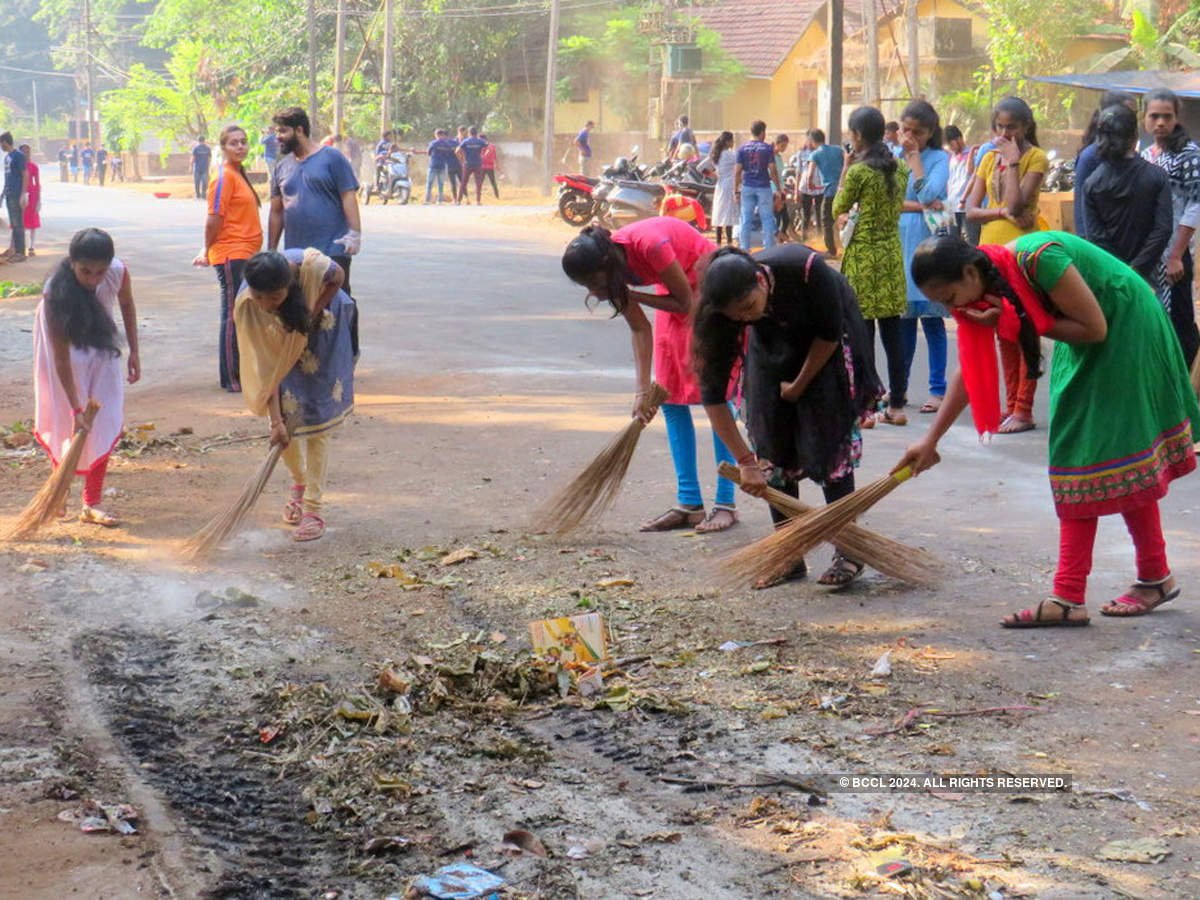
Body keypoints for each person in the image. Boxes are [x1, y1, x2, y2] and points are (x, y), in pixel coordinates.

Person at [900, 232, 1199, 626]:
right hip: (1089, 334)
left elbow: (1094, 328)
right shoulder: (986, 287)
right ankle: (1154, 576)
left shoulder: (1037, 259)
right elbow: (969, 370)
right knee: (1108, 453)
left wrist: (1015, 321)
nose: (951, 307)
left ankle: (1069, 595)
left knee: (1083, 453)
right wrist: (930, 440)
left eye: (948, 297)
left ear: (971, 272)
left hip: (1126, 326)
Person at [693, 244, 883, 587]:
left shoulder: (807, 268)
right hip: (771, 344)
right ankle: (789, 551)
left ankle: (849, 550)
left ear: (760, 281)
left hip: (828, 344)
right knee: (771, 440)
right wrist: (747, 461)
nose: (745, 318)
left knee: (828, 438)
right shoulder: (725, 314)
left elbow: (828, 335)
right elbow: (712, 395)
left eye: (749, 307)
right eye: (737, 317)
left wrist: (797, 386)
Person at [561, 218, 740, 533]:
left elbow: (687, 303)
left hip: (708, 292)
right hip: (672, 294)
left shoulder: (650, 244)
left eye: (594, 282)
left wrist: (634, 296)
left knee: (716, 398)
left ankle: (725, 503)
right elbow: (640, 328)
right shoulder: (612, 274)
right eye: (586, 286)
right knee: (669, 396)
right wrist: (642, 392)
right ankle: (690, 504)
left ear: (606, 262)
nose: (594, 291)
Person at [235, 249, 356, 542]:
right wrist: (276, 421)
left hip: (323, 327)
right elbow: (266, 371)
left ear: (289, 285)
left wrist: (313, 312)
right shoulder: (250, 307)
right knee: (287, 415)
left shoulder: (311, 270)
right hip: (283, 331)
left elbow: (338, 274)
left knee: (316, 417)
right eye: (259, 296)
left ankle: (314, 507)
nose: (265, 305)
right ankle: (299, 484)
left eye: (273, 298)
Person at [32, 228, 141, 526]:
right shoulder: (55, 291)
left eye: (99, 272)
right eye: (85, 271)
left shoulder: (118, 272)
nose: (93, 279)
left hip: (101, 343)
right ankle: (60, 491)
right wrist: (76, 408)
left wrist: (134, 351)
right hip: (64, 352)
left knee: (104, 422)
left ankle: (91, 502)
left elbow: (127, 305)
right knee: (64, 420)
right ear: (71, 263)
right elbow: (61, 358)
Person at [965, 97, 1048, 434]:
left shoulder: (1035, 158)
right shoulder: (987, 158)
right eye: (999, 126)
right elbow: (971, 210)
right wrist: (1001, 212)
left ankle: (1024, 409)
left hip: (1023, 252)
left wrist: (1013, 163)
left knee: (1024, 325)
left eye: (1011, 126)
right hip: (991, 251)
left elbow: (1018, 202)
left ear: (1026, 126)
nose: (1004, 132)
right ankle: (1010, 404)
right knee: (1003, 328)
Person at [832, 106, 910, 426]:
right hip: (891, 256)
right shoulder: (900, 168)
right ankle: (897, 404)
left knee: (862, 336)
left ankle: (868, 407)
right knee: (894, 336)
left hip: (863, 258)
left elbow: (838, 206)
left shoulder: (860, 172)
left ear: (858, 136)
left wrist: (846, 168)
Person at [192, 125, 264, 393]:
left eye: (244, 142)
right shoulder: (223, 177)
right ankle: (232, 378)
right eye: (234, 143)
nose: (241, 147)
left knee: (243, 314)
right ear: (223, 148)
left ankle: (242, 373)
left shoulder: (238, 174)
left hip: (246, 253)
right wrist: (206, 249)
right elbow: (214, 218)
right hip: (232, 255)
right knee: (233, 315)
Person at [268, 106, 362, 300]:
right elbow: (276, 211)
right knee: (303, 307)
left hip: (333, 248)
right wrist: (272, 250)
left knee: (338, 305)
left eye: (283, 131)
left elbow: (348, 195)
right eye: (277, 131)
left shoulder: (332, 158)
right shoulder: (281, 167)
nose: (278, 136)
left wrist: (355, 233)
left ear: (300, 130)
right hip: (297, 253)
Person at [897, 100, 951, 415]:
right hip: (900, 241)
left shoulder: (938, 158)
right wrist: (920, 204)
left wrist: (915, 159)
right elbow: (890, 200)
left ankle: (938, 389)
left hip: (928, 244)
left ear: (930, 132)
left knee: (932, 322)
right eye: (905, 130)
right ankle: (899, 387)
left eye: (917, 132)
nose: (909, 137)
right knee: (903, 323)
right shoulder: (891, 157)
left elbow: (931, 194)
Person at [1142, 87, 1200, 368]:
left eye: (1167, 116)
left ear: (1177, 118)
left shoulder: (1188, 154)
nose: (1161, 122)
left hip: (1175, 253)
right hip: (1149, 252)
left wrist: (1176, 254)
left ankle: (1187, 389)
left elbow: (1195, 204)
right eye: (1154, 116)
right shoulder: (1145, 155)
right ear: (1144, 118)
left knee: (1180, 321)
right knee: (1155, 319)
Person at [1083, 105, 1172, 287]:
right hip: (1147, 278)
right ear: (1135, 137)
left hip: (1110, 278)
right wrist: (1136, 269)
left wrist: (1119, 271)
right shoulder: (1156, 176)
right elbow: (1163, 229)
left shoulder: (1092, 184)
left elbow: (1095, 237)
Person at [1073, 91, 1137, 238]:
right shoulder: (1090, 157)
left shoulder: (1133, 154)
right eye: (1129, 113)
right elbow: (1082, 209)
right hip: (1100, 243)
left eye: (1135, 113)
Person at [736, 120, 781, 251]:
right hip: (763, 186)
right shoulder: (767, 148)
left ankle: (744, 248)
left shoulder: (742, 149)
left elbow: (738, 171)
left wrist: (736, 190)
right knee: (767, 218)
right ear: (762, 132)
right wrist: (778, 188)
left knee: (745, 219)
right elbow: (773, 170)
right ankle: (769, 249)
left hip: (747, 186)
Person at [808, 129, 843, 258]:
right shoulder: (838, 150)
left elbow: (810, 174)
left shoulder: (815, 154)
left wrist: (810, 184)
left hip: (829, 192)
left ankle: (831, 250)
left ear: (812, 141)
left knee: (826, 220)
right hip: (843, 190)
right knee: (845, 218)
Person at [704, 131, 738, 246]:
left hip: (719, 185)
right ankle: (729, 243)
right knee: (728, 215)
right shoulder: (731, 155)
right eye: (732, 140)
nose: (733, 143)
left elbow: (701, 168)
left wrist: (714, 174)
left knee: (719, 213)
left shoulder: (715, 154)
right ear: (728, 142)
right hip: (729, 186)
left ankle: (718, 243)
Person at [1, 133, 29, 262]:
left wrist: (23, 194)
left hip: (17, 193)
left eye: (1, 143)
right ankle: (15, 251)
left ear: (6, 142)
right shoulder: (7, 157)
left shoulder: (18, 156)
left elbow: (25, 174)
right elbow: (8, 177)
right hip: (9, 193)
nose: (1, 146)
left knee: (18, 224)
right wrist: (2, 194)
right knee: (14, 223)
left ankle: (20, 253)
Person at [944, 125, 972, 238]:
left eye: (951, 144)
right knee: (951, 239)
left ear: (959, 138)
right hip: (951, 202)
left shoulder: (972, 154)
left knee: (971, 239)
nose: (951, 148)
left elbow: (973, 174)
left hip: (967, 203)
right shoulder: (951, 158)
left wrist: (964, 198)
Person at [797, 132, 825, 241]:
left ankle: (820, 239)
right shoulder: (801, 153)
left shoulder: (822, 152)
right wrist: (796, 192)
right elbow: (798, 172)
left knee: (820, 215)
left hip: (820, 187)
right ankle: (805, 239)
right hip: (805, 188)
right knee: (806, 215)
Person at [772, 134, 800, 243]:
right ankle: (777, 240)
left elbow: (780, 175)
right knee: (777, 218)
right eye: (782, 146)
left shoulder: (779, 157)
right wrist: (776, 191)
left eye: (786, 146)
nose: (784, 148)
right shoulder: (771, 157)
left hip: (780, 189)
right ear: (777, 143)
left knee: (785, 218)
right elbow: (772, 175)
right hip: (773, 191)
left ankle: (781, 238)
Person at [422, 128, 458, 204]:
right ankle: (440, 200)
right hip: (442, 166)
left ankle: (427, 200)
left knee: (429, 183)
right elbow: (448, 154)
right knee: (441, 184)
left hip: (433, 165)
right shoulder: (447, 144)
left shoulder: (433, 143)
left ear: (436, 135)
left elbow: (428, 152)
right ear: (442, 135)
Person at [456, 126, 488, 205]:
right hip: (478, 164)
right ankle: (478, 201)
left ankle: (459, 201)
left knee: (463, 182)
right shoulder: (480, 141)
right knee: (478, 183)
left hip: (468, 164)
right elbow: (488, 147)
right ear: (476, 133)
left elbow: (457, 151)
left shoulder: (465, 141)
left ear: (469, 133)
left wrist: (461, 160)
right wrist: (483, 156)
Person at [19, 144, 40, 257]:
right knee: (20, 221)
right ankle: (20, 245)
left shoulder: (33, 166)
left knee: (32, 222)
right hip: (20, 193)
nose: (25, 154)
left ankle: (31, 246)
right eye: (23, 152)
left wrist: (38, 199)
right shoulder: (17, 166)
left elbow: (37, 183)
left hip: (31, 195)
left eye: (27, 152)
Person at [447, 125, 467, 202]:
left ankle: (466, 198)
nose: (464, 135)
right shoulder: (454, 141)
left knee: (462, 182)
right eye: (463, 133)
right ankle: (455, 199)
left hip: (463, 164)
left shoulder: (466, 140)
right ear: (459, 132)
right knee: (454, 183)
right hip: (454, 164)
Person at [190, 136, 212, 200]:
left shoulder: (195, 148)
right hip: (205, 168)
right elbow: (209, 158)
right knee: (204, 182)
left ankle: (198, 195)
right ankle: (203, 195)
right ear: (204, 140)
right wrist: (209, 166)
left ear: (198, 141)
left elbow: (193, 158)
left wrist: (190, 166)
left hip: (197, 168)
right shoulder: (207, 148)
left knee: (197, 182)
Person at [480, 135, 500, 199]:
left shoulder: (490, 146)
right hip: (486, 166)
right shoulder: (491, 146)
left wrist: (496, 164)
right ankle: (497, 196)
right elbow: (495, 156)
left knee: (490, 182)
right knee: (491, 182)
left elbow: (492, 156)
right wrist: (496, 164)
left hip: (487, 166)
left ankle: (497, 196)